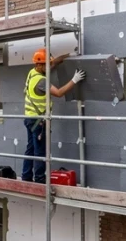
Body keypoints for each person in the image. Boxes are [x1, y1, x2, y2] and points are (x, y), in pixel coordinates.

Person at [21, 48, 85, 183]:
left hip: (29, 118)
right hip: (38, 121)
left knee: (30, 149)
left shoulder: (32, 72)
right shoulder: (41, 80)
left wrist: (69, 55)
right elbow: (59, 93)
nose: (49, 67)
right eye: (46, 64)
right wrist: (74, 80)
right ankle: (39, 179)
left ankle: (26, 176)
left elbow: (54, 62)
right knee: (40, 151)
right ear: (39, 65)